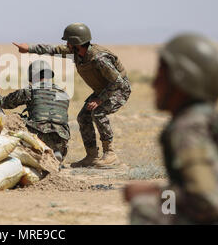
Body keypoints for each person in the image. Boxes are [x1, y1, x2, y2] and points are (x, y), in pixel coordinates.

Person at [125, 33, 218, 224]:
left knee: (145, 206)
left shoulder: (189, 127)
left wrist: (154, 192)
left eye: (161, 76)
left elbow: (207, 201)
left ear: (182, 81)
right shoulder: (211, 120)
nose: (154, 83)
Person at [13, 23, 130, 168]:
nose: (66, 44)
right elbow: (52, 50)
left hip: (118, 89)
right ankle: (92, 156)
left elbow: (118, 82)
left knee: (98, 113)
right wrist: (28, 49)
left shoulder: (99, 59)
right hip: (102, 90)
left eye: (68, 41)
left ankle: (110, 154)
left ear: (77, 43)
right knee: (83, 116)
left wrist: (100, 100)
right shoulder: (75, 52)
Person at [0, 60, 71, 162]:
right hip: (61, 140)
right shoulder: (64, 94)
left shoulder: (30, 90)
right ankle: (55, 151)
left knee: (14, 118)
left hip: (39, 137)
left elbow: (4, 103)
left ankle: (30, 151)